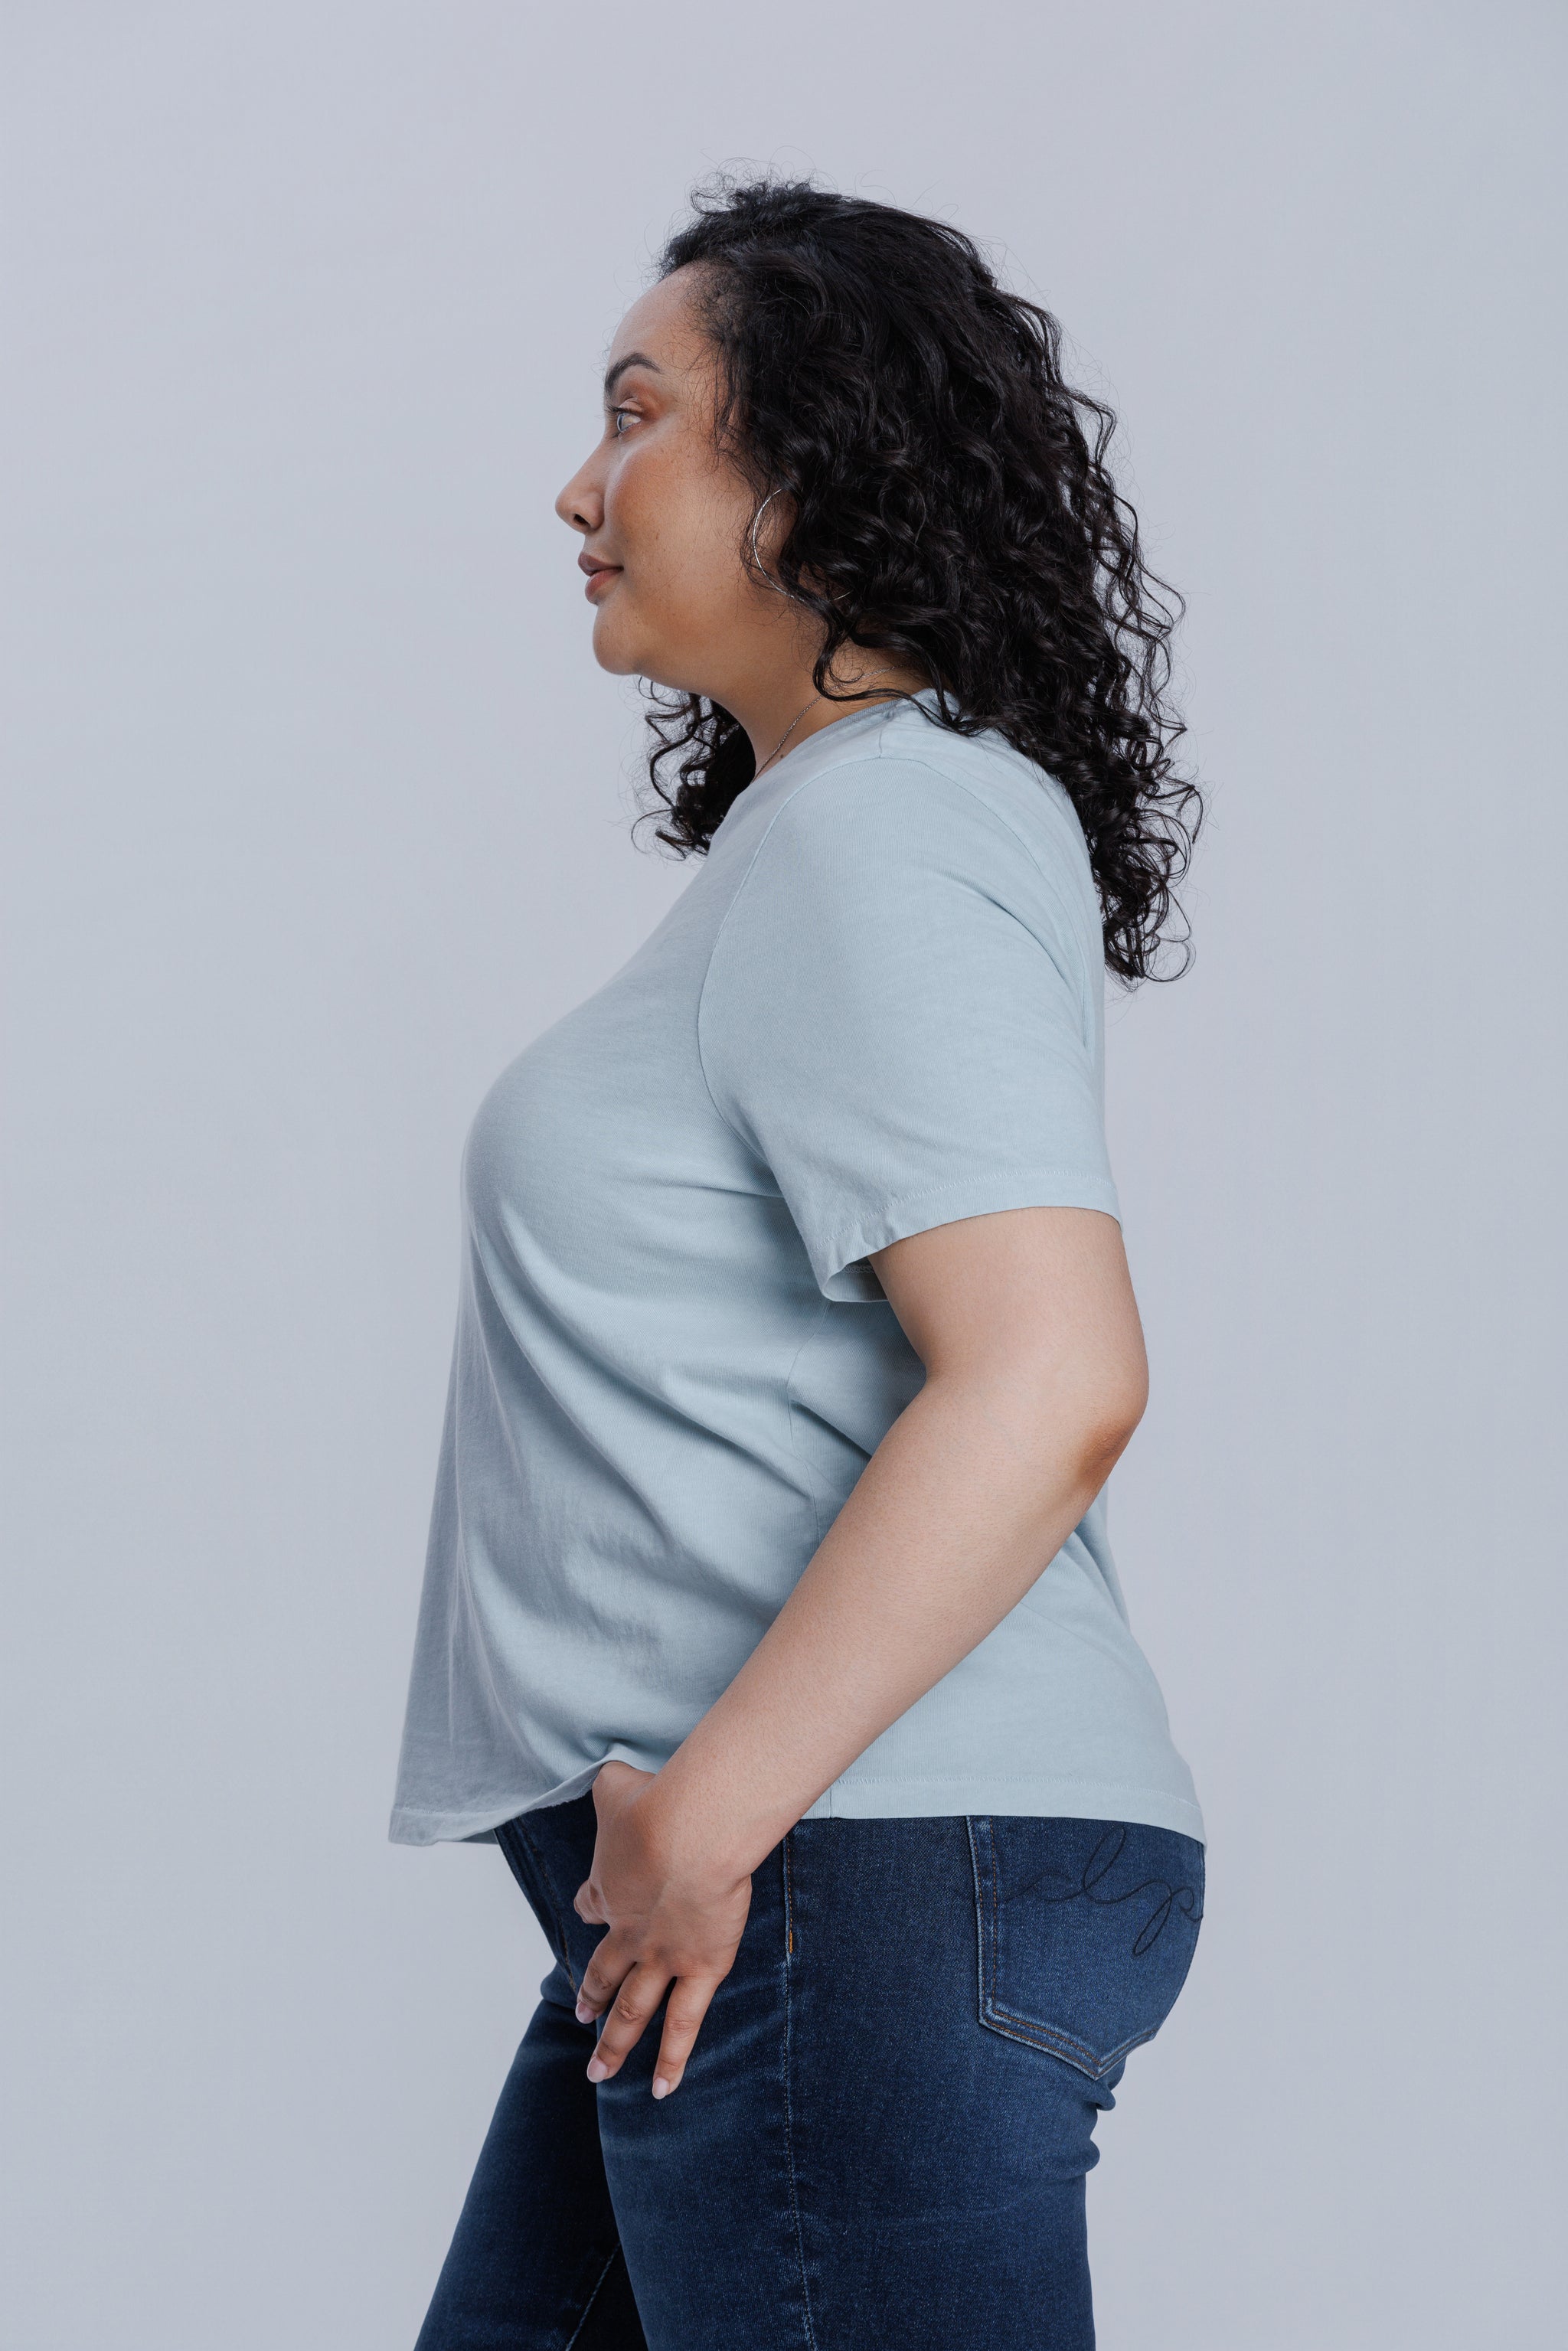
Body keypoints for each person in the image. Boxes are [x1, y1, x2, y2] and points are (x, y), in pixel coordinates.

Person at [390, 175, 1207, 2351]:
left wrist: (710, 1817)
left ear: (817, 468)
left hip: (835, 1864)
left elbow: (1048, 1372)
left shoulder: (897, 820)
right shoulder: (832, 833)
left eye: (642, 414)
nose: (581, 483)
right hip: (770, 1885)